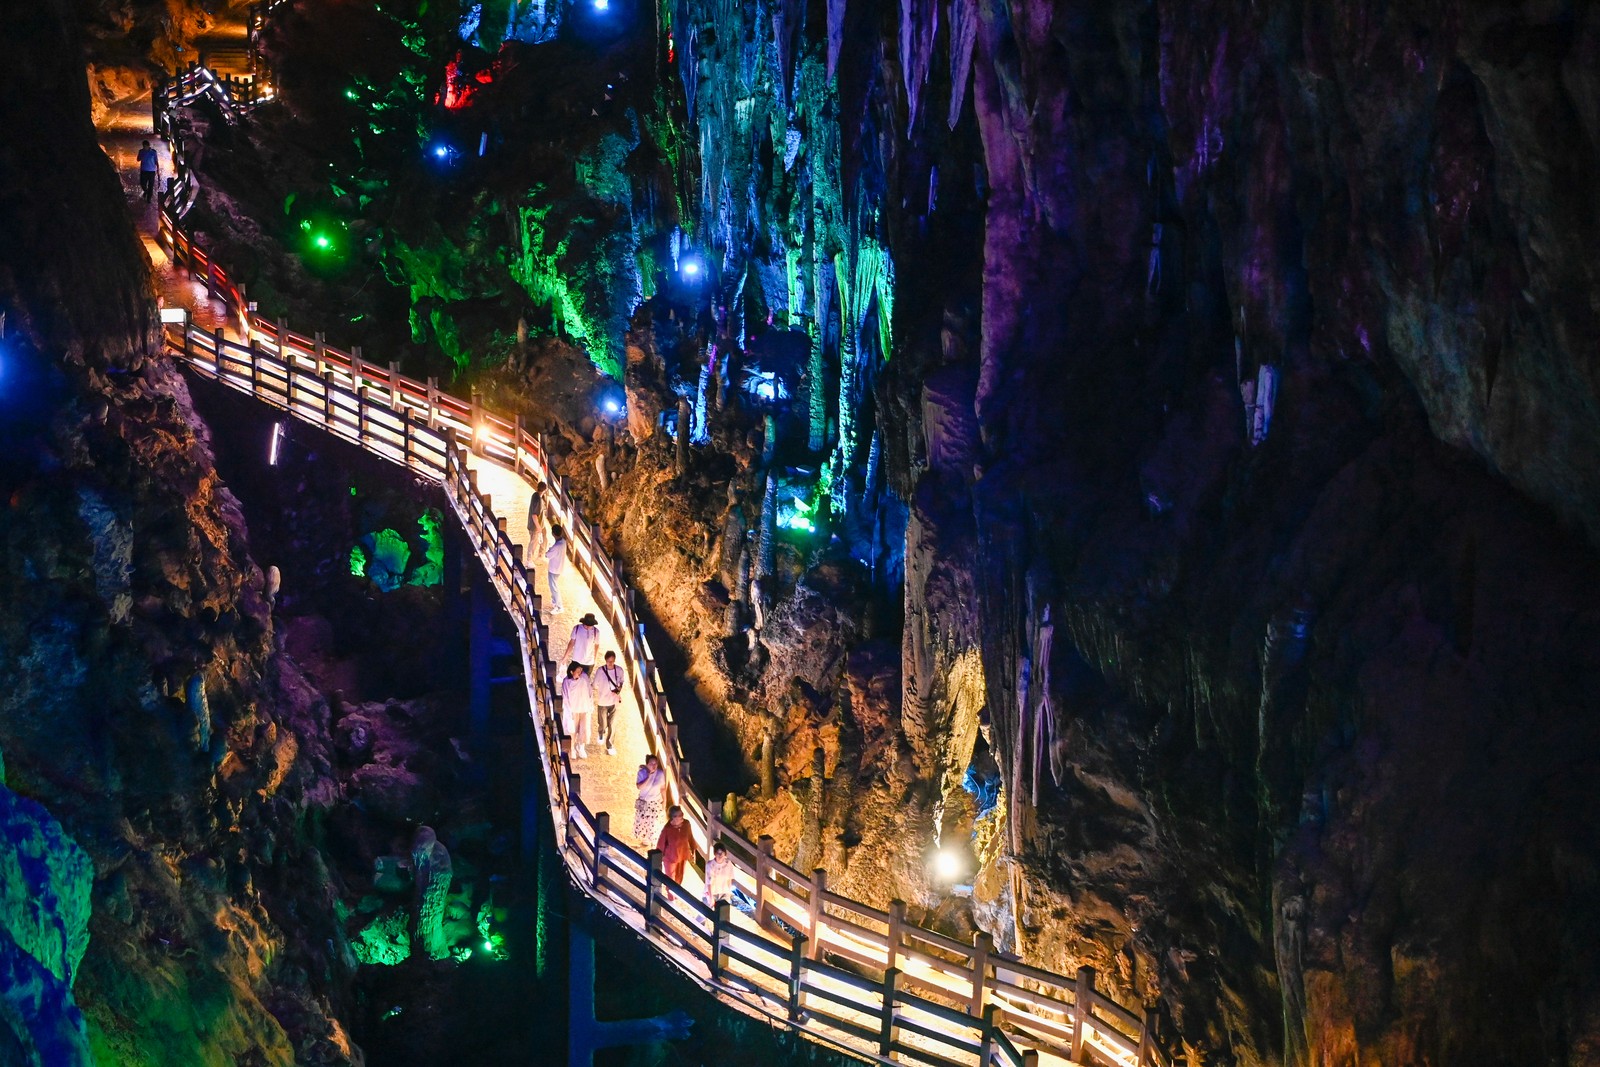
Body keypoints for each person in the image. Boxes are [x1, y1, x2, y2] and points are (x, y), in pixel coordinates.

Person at [656, 805, 694, 896]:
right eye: (679, 815)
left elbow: (690, 837)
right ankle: (671, 898)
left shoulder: (686, 824)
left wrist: (693, 851)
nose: (682, 816)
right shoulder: (667, 829)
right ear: (673, 817)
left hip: (683, 855)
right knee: (670, 879)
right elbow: (661, 844)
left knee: (679, 877)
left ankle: (676, 894)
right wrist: (658, 858)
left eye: (682, 814)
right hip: (670, 858)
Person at [560, 660, 595, 759]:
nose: (580, 673)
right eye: (578, 671)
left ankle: (581, 747)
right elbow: (565, 698)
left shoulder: (584, 678)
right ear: (572, 672)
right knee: (572, 731)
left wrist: (591, 704)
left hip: (584, 708)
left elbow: (590, 691)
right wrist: (569, 711)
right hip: (573, 709)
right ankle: (572, 748)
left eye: (580, 671)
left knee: (584, 729)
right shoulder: (567, 682)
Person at [593, 651, 624, 755]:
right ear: (605, 660)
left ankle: (610, 745)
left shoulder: (619, 670)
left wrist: (618, 689)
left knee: (612, 724)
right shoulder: (600, 671)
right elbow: (595, 685)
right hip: (603, 701)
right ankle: (601, 733)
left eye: (612, 661)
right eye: (608, 661)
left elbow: (621, 681)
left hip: (614, 701)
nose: (610, 663)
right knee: (603, 723)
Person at [634, 753, 666, 847]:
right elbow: (639, 787)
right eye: (651, 763)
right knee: (643, 821)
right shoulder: (642, 773)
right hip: (644, 802)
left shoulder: (660, 774)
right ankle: (645, 839)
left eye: (655, 763)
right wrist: (648, 776)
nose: (653, 766)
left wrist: (664, 800)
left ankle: (654, 841)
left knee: (654, 823)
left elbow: (663, 788)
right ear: (647, 764)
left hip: (655, 802)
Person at [703, 839, 736, 908]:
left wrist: (729, 892)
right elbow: (709, 883)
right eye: (718, 853)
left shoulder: (728, 863)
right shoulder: (710, 865)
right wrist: (711, 897)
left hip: (724, 893)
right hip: (712, 893)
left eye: (722, 853)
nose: (720, 855)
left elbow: (729, 879)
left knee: (724, 913)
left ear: (725, 853)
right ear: (715, 854)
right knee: (705, 911)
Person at [545, 522, 567, 613]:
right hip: (559, 567)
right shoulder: (563, 542)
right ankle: (555, 602)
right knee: (554, 586)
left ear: (553, 533)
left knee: (554, 588)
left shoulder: (557, 546)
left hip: (554, 569)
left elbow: (547, 555)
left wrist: (549, 549)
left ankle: (559, 606)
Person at [524, 481, 546, 563]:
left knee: (540, 539)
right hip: (535, 526)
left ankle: (539, 555)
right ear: (545, 490)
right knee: (533, 542)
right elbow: (534, 515)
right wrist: (538, 527)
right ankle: (529, 560)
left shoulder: (535, 495)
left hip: (535, 525)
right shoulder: (538, 500)